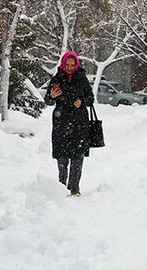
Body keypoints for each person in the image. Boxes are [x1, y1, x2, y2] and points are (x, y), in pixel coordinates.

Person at [46, 50, 95, 196]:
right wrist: (51, 96)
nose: (69, 67)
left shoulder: (82, 79)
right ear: (63, 63)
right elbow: (47, 100)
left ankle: (74, 188)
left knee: (77, 157)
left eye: (72, 65)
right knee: (62, 156)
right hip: (61, 123)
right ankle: (60, 186)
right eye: (67, 64)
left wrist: (83, 102)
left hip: (79, 123)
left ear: (76, 65)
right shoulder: (57, 79)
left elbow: (91, 98)